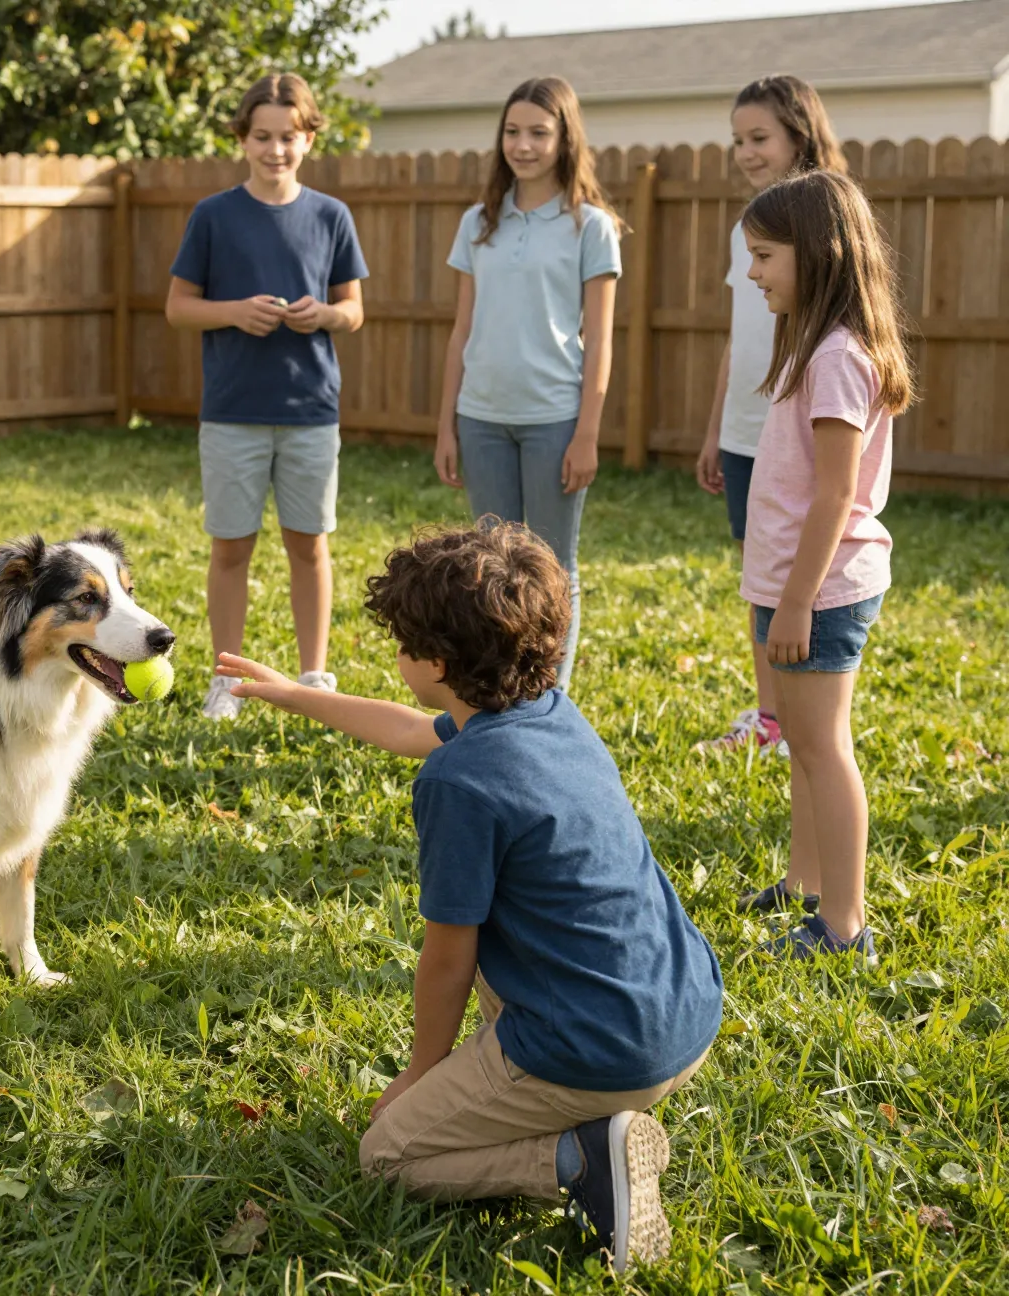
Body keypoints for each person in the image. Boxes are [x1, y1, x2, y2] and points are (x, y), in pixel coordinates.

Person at [214, 523, 721, 1270]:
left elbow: (449, 959)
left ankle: (579, 1157)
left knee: (388, 1154)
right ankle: (580, 1111)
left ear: (437, 663)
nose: (396, 655)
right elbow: (414, 730)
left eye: (402, 643)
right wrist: (297, 696)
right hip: (682, 1015)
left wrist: (422, 1071)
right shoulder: (551, 714)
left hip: (600, 1049)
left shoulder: (461, 784)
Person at [735, 170, 913, 958]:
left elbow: (837, 493)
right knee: (803, 745)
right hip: (797, 585)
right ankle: (804, 886)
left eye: (764, 255)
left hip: (822, 590)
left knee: (822, 748)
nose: (752, 273)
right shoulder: (815, 346)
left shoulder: (838, 355)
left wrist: (798, 599)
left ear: (817, 254)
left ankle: (844, 925)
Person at [164, 72, 368, 721]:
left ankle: (314, 677)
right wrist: (234, 312)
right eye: (262, 137)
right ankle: (227, 680)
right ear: (243, 140)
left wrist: (323, 316)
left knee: (309, 546)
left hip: (310, 412)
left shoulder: (331, 216)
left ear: (308, 139)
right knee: (231, 549)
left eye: (288, 136)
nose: (275, 149)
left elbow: (354, 310)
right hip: (232, 413)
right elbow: (178, 307)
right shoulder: (213, 216)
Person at [432, 76, 621, 692]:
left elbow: (601, 340)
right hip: (481, 417)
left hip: (555, 420)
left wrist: (586, 433)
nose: (523, 145)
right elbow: (461, 331)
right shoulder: (478, 223)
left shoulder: (591, 226)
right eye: (512, 132)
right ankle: (502, 692)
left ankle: (549, 699)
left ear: (565, 139)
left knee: (552, 567)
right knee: (489, 568)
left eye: (539, 132)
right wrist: (447, 426)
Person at [695, 75, 846, 762]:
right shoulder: (746, 227)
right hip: (745, 429)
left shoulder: (831, 221)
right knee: (759, 574)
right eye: (737, 141)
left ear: (800, 134)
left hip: (805, 432)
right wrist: (716, 430)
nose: (746, 153)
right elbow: (740, 335)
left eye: (759, 137)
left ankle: (813, 716)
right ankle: (770, 718)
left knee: (808, 573)